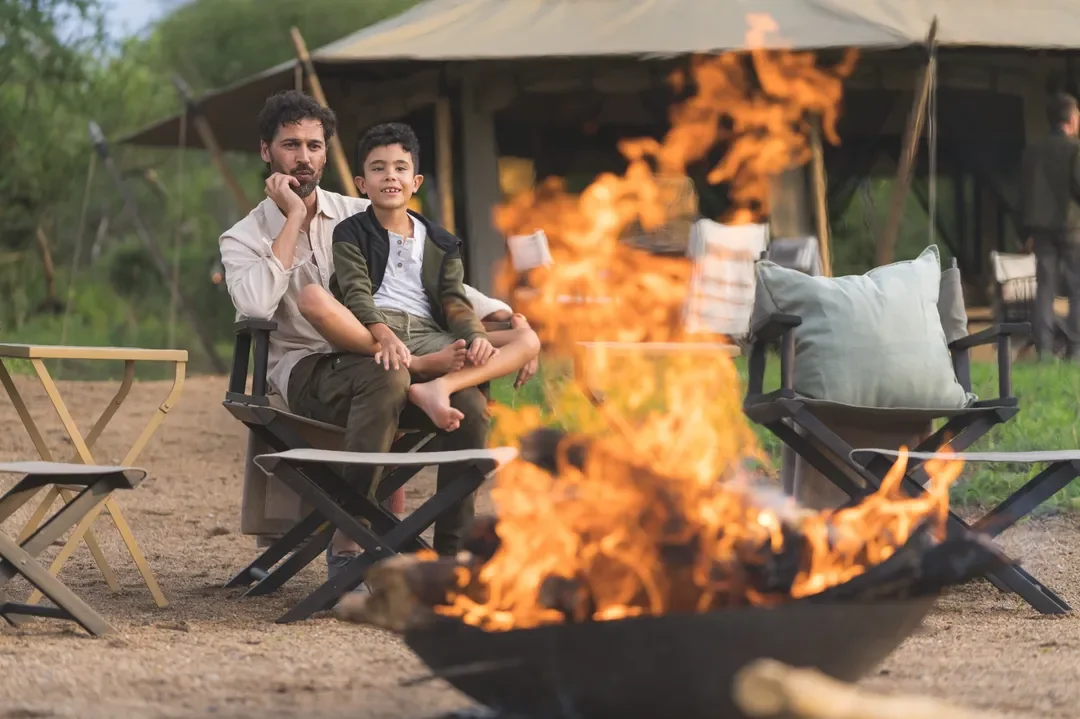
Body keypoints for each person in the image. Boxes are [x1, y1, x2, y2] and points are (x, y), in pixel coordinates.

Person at [217, 91, 520, 576]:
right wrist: (293, 218)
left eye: (314, 146)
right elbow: (253, 305)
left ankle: (451, 555)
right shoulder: (242, 236)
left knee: (471, 405)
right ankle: (349, 542)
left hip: (385, 351)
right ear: (265, 152)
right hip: (309, 369)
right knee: (389, 376)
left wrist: (503, 314)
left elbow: (424, 275)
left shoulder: (358, 212)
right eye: (290, 145)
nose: (303, 157)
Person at [315, 122, 540, 432]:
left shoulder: (441, 241)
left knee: (527, 339)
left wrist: (475, 338)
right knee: (319, 299)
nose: (390, 175)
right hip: (376, 332)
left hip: (431, 336)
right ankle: (434, 385)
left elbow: (455, 301)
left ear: (416, 181)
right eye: (378, 169)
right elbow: (356, 293)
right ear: (362, 184)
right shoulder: (350, 232)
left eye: (400, 168)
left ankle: (441, 388)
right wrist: (385, 336)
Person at [1019, 91, 1080, 360]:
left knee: (1044, 289)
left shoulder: (1033, 151)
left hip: (1040, 230)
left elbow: (1022, 194)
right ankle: (1076, 350)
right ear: (1070, 119)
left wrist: (1025, 233)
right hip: (1072, 229)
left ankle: (1043, 350)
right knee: (1077, 288)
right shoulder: (1075, 150)